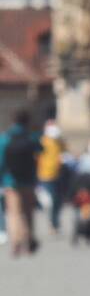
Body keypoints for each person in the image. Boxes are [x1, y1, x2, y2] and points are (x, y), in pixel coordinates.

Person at [0, 108, 42, 257]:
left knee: (13, 214)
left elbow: (1, 162)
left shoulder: (5, 138)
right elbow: (41, 151)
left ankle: (16, 243)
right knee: (28, 213)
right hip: (29, 181)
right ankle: (29, 240)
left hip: (11, 182)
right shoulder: (31, 137)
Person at [37, 111, 66, 233]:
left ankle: (55, 222)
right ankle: (52, 223)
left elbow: (64, 152)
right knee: (51, 201)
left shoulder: (59, 141)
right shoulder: (42, 141)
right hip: (46, 175)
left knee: (58, 200)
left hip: (59, 174)